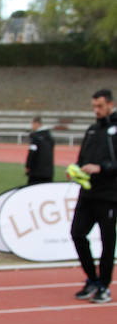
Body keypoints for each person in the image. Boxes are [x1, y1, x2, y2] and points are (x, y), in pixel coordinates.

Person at [70, 89, 117, 304]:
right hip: (87, 194)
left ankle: (104, 286)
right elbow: (82, 159)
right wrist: (76, 170)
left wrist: (101, 168)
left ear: (110, 104)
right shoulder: (91, 130)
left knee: (107, 243)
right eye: (94, 106)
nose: (96, 110)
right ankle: (92, 278)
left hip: (109, 196)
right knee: (77, 234)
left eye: (99, 106)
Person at [25, 116, 54, 185]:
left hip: (36, 172)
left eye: (32, 124)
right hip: (48, 171)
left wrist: (28, 166)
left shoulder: (35, 137)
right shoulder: (49, 137)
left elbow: (32, 152)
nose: (32, 126)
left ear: (37, 124)